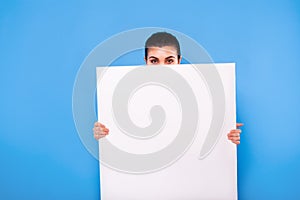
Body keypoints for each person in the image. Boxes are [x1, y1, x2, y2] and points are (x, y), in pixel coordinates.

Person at [93, 32, 243, 144]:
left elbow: (204, 138)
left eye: (169, 60)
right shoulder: (127, 95)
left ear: (179, 60)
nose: (162, 67)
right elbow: (124, 137)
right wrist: (104, 133)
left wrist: (226, 135)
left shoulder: (203, 94)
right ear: (146, 61)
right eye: (154, 61)